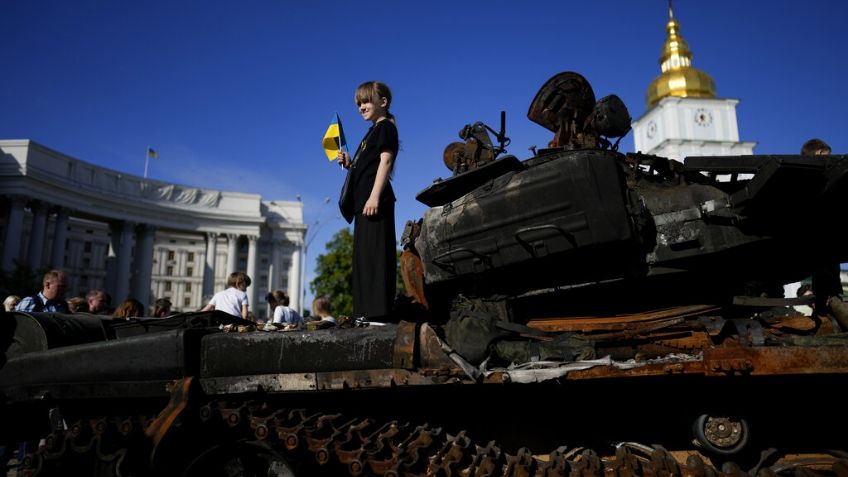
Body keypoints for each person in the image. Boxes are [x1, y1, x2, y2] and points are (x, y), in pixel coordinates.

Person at [336, 81, 399, 321]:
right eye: (359, 103)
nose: (361, 107)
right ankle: (364, 313)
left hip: (374, 203)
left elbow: (385, 161)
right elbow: (370, 165)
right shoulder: (371, 132)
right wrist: (351, 163)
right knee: (364, 260)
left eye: (366, 101)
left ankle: (377, 314)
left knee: (375, 258)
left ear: (382, 102)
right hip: (364, 204)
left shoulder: (385, 128)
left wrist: (374, 196)